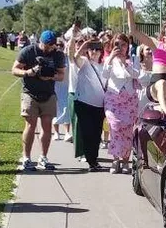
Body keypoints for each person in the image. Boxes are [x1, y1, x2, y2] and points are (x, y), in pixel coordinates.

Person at [12, 30, 67, 172]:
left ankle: (43, 157)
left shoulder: (58, 55)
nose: (49, 48)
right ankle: (27, 158)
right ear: (40, 42)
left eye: (52, 45)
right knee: (30, 125)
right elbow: (14, 69)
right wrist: (28, 72)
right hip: (30, 93)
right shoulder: (28, 51)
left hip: (48, 93)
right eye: (47, 45)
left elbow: (61, 75)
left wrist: (51, 76)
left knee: (47, 125)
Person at [126, 0, 166, 114]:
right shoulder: (156, 43)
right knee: (162, 84)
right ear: (165, 29)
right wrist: (130, 12)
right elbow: (133, 31)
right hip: (156, 83)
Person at [67, 27, 107, 171]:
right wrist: (85, 45)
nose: (94, 52)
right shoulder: (84, 62)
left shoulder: (104, 66)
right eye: (92, 49)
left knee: (96, 134)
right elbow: (73, 56)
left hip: (99, 105)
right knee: (87, 132)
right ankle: (91, 161)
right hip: (84, 103)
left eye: (97, 49)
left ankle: (94, 159)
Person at [104, 33, 140, 174]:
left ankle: (125, 160)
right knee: (114, 127)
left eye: (123, 44)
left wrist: (126, 63)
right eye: (117, 44)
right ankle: (115, 160)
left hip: (130, 100)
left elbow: (136, 74)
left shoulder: (133, 59)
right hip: (113, 99)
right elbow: (105, 75)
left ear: (128, 46)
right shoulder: (109, 60)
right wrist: (112, 57)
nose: (120, 47)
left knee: (126, 131)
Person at [52, 38, 72, 142]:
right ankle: (56, 132)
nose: (59, 47)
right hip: (54, 87)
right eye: (57, 45)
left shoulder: (67, 58)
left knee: (66, 110)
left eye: (61, 45)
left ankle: (67, 132)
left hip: (66, 87)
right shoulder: (52, 58)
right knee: (55, 110)